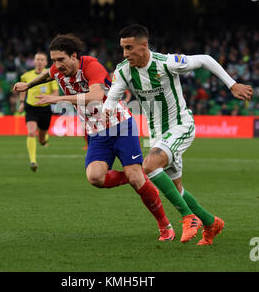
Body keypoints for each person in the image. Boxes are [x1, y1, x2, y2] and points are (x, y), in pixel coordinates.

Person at [13, 34, 175, 241]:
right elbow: (47, 75)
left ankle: (164, 225)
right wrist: (28, 85)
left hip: (120, 126)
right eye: (53, 60)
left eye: (60, 60)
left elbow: (96, 96)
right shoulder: (58, 69)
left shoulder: (91, 66)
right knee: (95, 178)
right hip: (96, 132)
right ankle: (137, 175)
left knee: (136, 179)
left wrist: (59, 98)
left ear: (74, 56)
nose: (56, 65)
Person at [103, 24, 254, 245]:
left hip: (181, 126)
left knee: (149, 166)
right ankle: (211, 223)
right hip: (157, 134)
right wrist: (103, 117)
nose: (125, 53)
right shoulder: (124, 70)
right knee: (176, 189)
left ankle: (188, 218)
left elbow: (204, 59)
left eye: (129, 47)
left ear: (144, 45)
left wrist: (231, 85)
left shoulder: (167, 63)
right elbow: (111, 101)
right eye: (123, 48)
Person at [17, 52, 59, 171]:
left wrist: (50, 98)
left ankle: (43, 137)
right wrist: (21, 103)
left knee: (41, 140)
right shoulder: (26, 75)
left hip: (45, 109)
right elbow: (23, 89)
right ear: (34, 61)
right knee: (31, 132)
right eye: (37, 59)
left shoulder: (50, 75)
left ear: (46, 62)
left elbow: (55, 92)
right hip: (31, 108)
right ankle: (33, 161)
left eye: (42, 59)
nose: (39, 61)